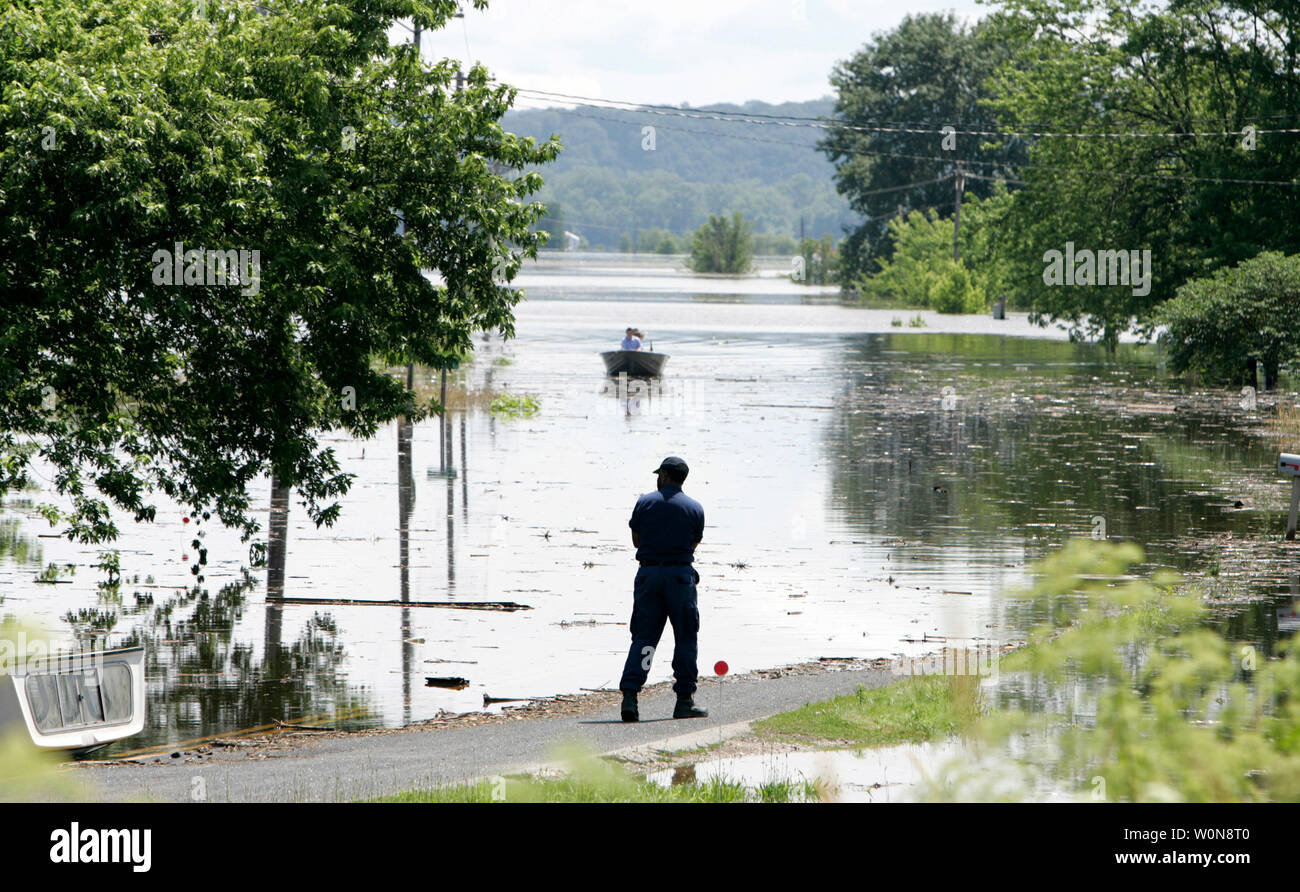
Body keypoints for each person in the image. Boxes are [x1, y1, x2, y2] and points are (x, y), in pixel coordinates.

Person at [619, 456, 708, 721]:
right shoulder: (695, 508)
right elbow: (692, 545)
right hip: (680, 579)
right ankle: (684, 700)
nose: (658, 478)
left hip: (648, 576)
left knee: (644, 639)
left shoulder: (644, 502)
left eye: (660, 474)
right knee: (685, 639)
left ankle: (631, 697)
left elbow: (636, 541)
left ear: (666, 476)